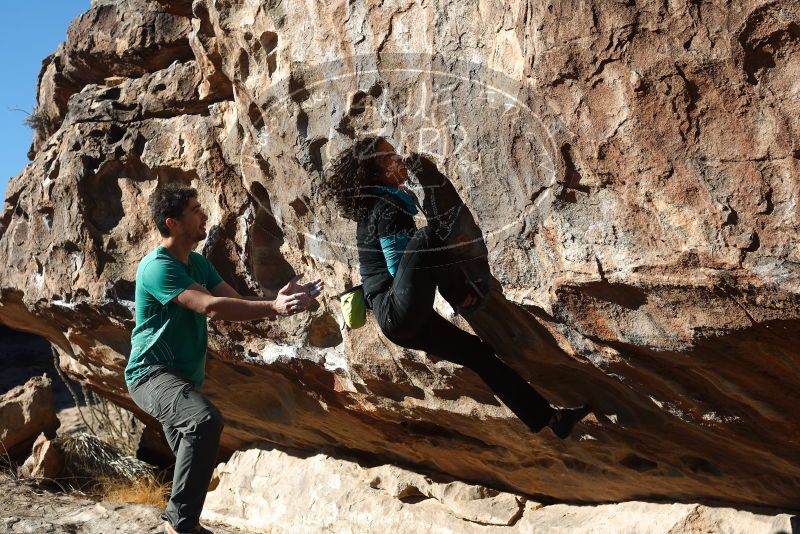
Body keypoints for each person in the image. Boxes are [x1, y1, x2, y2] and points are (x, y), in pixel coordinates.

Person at [319, 137, 590, 439]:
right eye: (389, 156)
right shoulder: (386, 207)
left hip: (403, 323)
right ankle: (462, 294)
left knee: (479, 355)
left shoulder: (380, 206)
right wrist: (455, 283)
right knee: (428, 238)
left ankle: (553, 420)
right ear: (377, 171)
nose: (399, 159)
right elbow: (400, 269)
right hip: (399, 311)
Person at [125, 183, 322, 534]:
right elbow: (210, 308)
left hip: (181, 380)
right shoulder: (157, 267)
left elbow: (232, 301)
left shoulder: (197, 263)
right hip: (150, 375)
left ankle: (186, 523)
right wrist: (274, 308)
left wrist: (277, 300)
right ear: (172, 223)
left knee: (196, 450)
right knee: (204, 422)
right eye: (195, 210)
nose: (204, 215)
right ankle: (180, 524)